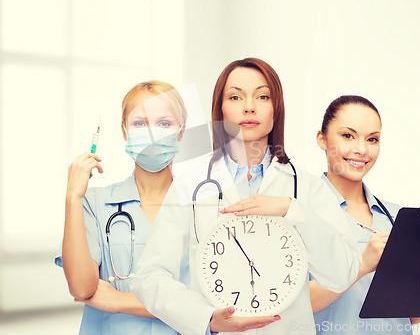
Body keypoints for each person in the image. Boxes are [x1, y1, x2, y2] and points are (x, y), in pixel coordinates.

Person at [131, 58, 361, 334]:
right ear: (220, 109)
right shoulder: (190, 183)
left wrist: (293, 210)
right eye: (235, 96)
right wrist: (206, 318)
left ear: (276, 110)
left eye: (262, 96)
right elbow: (149, 276)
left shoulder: (307, 187)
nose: (249, 106)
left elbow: (343, 273)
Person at [310, 95, 420, 334]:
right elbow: (291, 305)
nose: (361, 149)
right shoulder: (300, 212)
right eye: (348, 135)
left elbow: (402, 317)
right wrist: (361, 265)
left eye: (372, 139)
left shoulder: (397, 218)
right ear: (322, 139)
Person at [55, 81, 188, 334]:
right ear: (124, 131)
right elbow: (82, 288)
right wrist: (73, 195)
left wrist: (116, 300)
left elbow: (209, 305)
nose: (151, 133)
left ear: (181, 132)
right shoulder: (94, 203)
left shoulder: (202, 206)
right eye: (140, 123)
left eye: (164, 123)